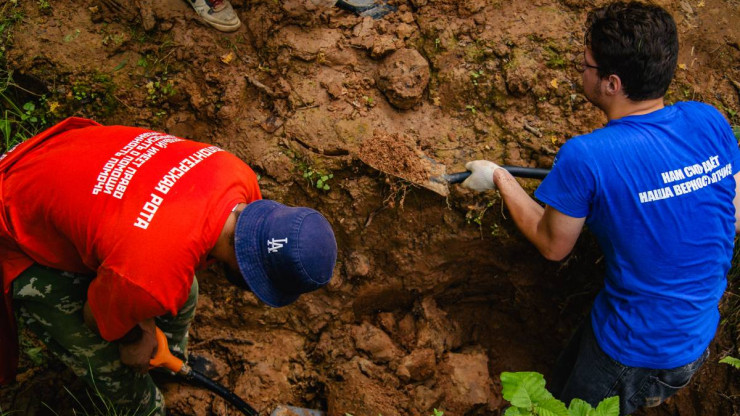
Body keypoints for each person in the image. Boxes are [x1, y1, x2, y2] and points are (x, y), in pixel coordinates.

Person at [461, 2, 740, 415]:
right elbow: (732, 216)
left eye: (585, 65)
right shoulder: (707, 119)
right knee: (565, 380)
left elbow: (553, 245)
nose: (580, 71)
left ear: (612, 83)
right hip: (694, 337)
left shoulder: (588, 157)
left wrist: (499, 177)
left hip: (631, 352)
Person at [0, 117, 337, 414]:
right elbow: (95, 316)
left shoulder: (238, 177)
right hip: (16, 228)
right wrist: (135, 337)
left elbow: (150, 256)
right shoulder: (151, 273)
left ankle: (168, 366)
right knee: (132, 392)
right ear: (252, 270)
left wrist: (143, 313)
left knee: (183, 292)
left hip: (69, 171)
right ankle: (141, 395)